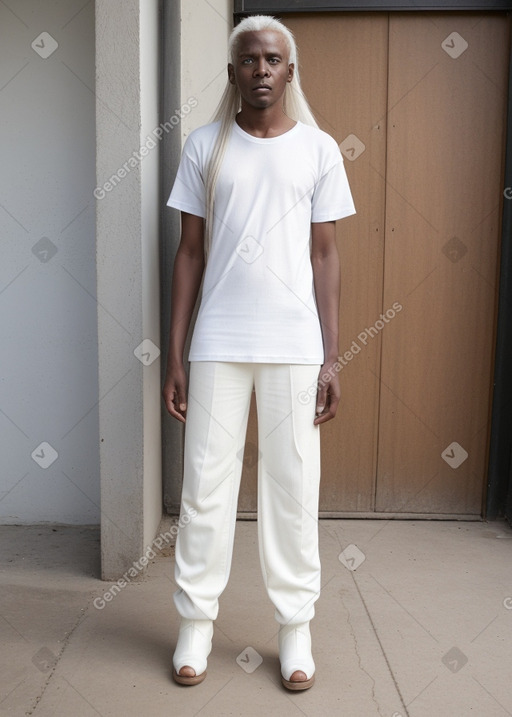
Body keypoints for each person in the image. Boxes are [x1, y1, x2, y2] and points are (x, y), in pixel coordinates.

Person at [162, 14, 356, 691]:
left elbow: (326, 256)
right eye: (250, 59)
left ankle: (295, 628)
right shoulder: (204, 146)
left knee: (293, 488)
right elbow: (189, 253)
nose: (263, 69)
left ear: (290, 71)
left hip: (295, 347)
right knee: (205, 486)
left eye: (274, 59)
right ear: (233, 72)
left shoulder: (319, 150)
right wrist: (177, 354)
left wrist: (332, 357)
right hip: (218, 341)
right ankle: (196, 624)